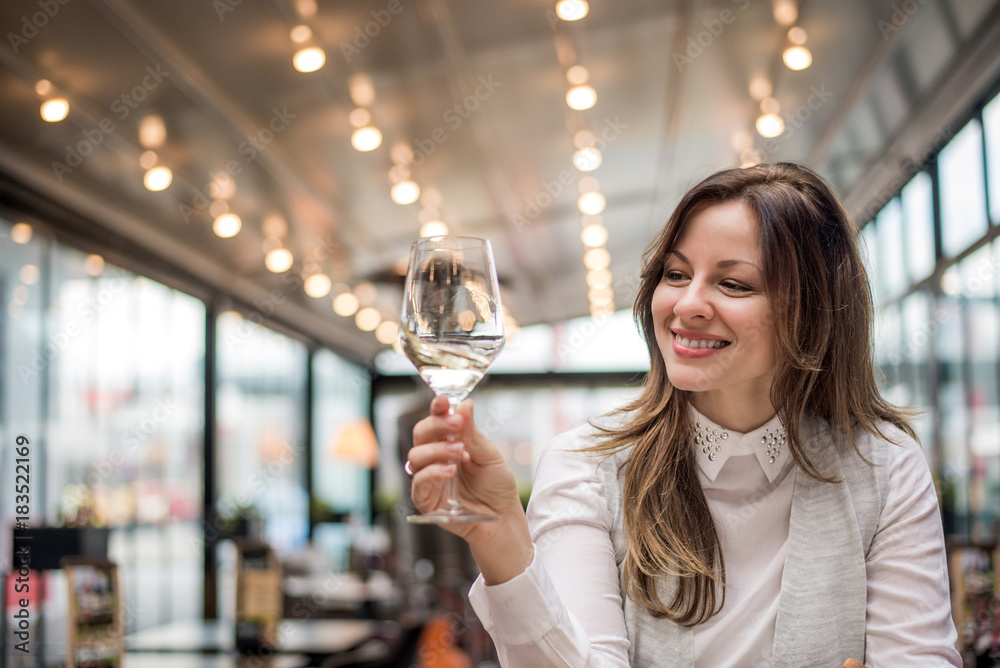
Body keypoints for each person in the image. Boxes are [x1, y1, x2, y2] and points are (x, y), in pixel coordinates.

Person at [405, 163, 962, 667]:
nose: (687, 304)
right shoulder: (586, 465)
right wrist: (501, 533)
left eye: (733, 283)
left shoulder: (884, 466)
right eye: (675, 274)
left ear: (811, 313)